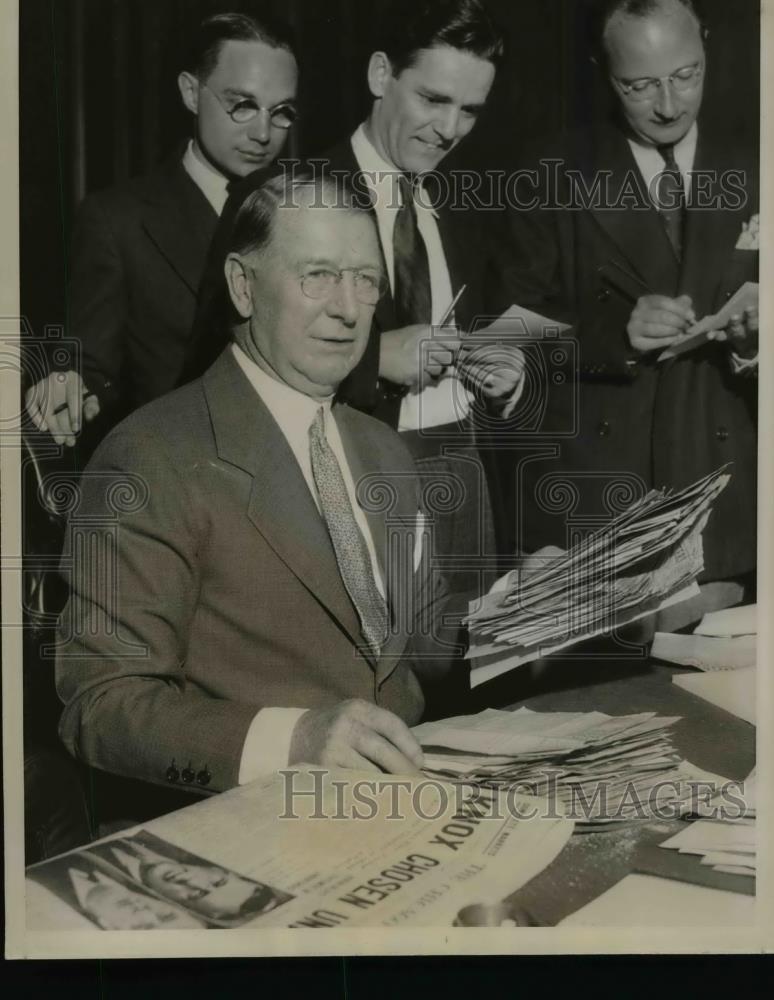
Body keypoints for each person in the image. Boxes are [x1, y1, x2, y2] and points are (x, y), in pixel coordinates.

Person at [56, 173, 468, 795]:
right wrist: (291, 742)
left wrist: (527, 610)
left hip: (403, 801)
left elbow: (423, 642)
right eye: (318, 276)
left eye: (365, 280)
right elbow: (101, 707)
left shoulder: (384, 450)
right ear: (243, 286)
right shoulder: (151, 456)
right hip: (247, 816)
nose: (348, 309)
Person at [185, 0, 525, 593]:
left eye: (469, 110)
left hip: (465, 483)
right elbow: (216, 365)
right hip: (343, 486)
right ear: (380, 74)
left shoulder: (468, 206)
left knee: (471, 653)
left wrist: (502, 382)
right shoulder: (285, 194)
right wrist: (373, 360)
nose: (449, 129)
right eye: (433, 99)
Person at [498, 0, 758, 611]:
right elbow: (502, 337)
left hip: (725, 506)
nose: (669, 105)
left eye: (687, 75)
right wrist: (613, 333)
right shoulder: (550, 172)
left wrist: (755, 347)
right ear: (601, 70)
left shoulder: (758, 165)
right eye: (639, 86)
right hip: (597, 511)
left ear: (707, 46)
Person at [24, 10, 298, 449]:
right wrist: (70, 383)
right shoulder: (117, 220)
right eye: (242, 105)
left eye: (281, 111)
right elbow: (90, 366)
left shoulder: (303, 213)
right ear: (191, 93)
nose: (263, 133)